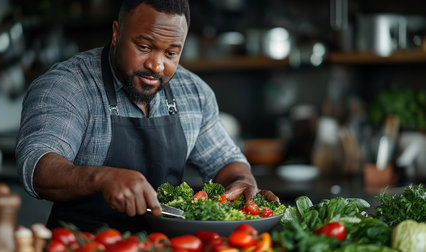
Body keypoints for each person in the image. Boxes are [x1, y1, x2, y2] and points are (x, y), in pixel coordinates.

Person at [16, 0, 278, 233]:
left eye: (171, 53)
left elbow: (226, 163)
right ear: (117, 33)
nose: (157, 65)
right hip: (82, 243)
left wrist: (241, 182)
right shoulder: (68, 85)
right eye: (144, 46)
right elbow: (37, 166)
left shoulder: (194, 93)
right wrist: (102, 178)